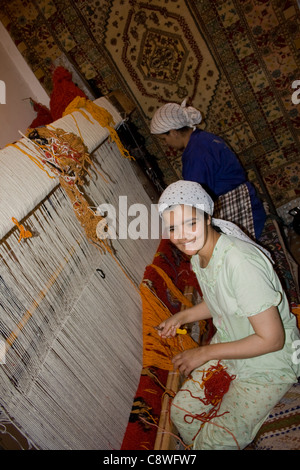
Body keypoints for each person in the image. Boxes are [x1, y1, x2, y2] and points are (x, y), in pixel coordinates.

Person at [157, 180, 300, 450]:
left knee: (211, 442)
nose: (182, 235)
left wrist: (205, 353)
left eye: (191, 223)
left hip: (268, 364)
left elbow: (272, 340)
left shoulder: (240, 262)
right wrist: (182, 318)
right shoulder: (199, 256)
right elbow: (221, 301)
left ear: (208, 217)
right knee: (181, 412)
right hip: (232, 350)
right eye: (173, 228)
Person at [150, 100, 266, 239]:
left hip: (242, 208)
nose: (165, 144)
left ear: (174, 132)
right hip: (249, 201)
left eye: (164, 138)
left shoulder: (196, 154)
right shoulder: (203, 138)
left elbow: (196, 197)